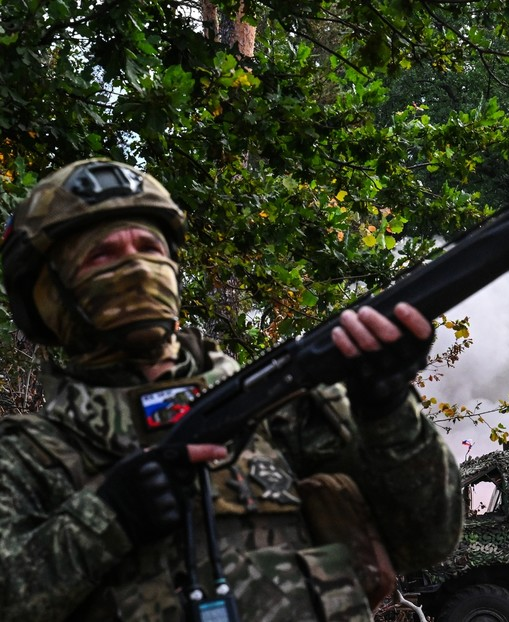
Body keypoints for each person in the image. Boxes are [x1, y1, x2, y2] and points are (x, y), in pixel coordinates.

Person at [0, 159, 463, 621]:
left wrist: (385, 407)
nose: (137, 265)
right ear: (45, 294)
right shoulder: (29, 456)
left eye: (148, 246)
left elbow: (430, 540)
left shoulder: (279, 409)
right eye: (101, 254)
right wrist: (106, 517)